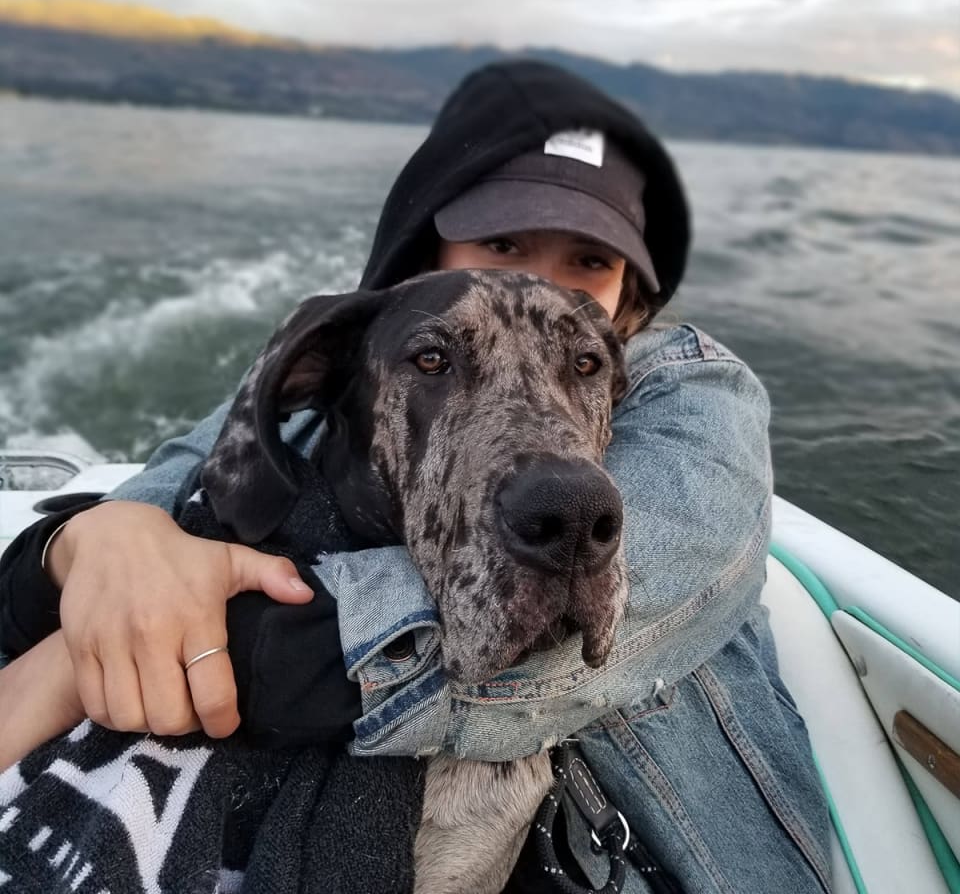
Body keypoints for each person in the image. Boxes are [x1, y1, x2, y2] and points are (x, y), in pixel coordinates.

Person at [0, 60, 832, 893]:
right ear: (419, 251)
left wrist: (121, 654)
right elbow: (188, 475)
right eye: (503, 244)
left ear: (630, 302)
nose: (535, 289)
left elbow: (649, 570)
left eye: (589, 263)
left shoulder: (691, 389)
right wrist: (90, 546)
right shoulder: (351, 369)